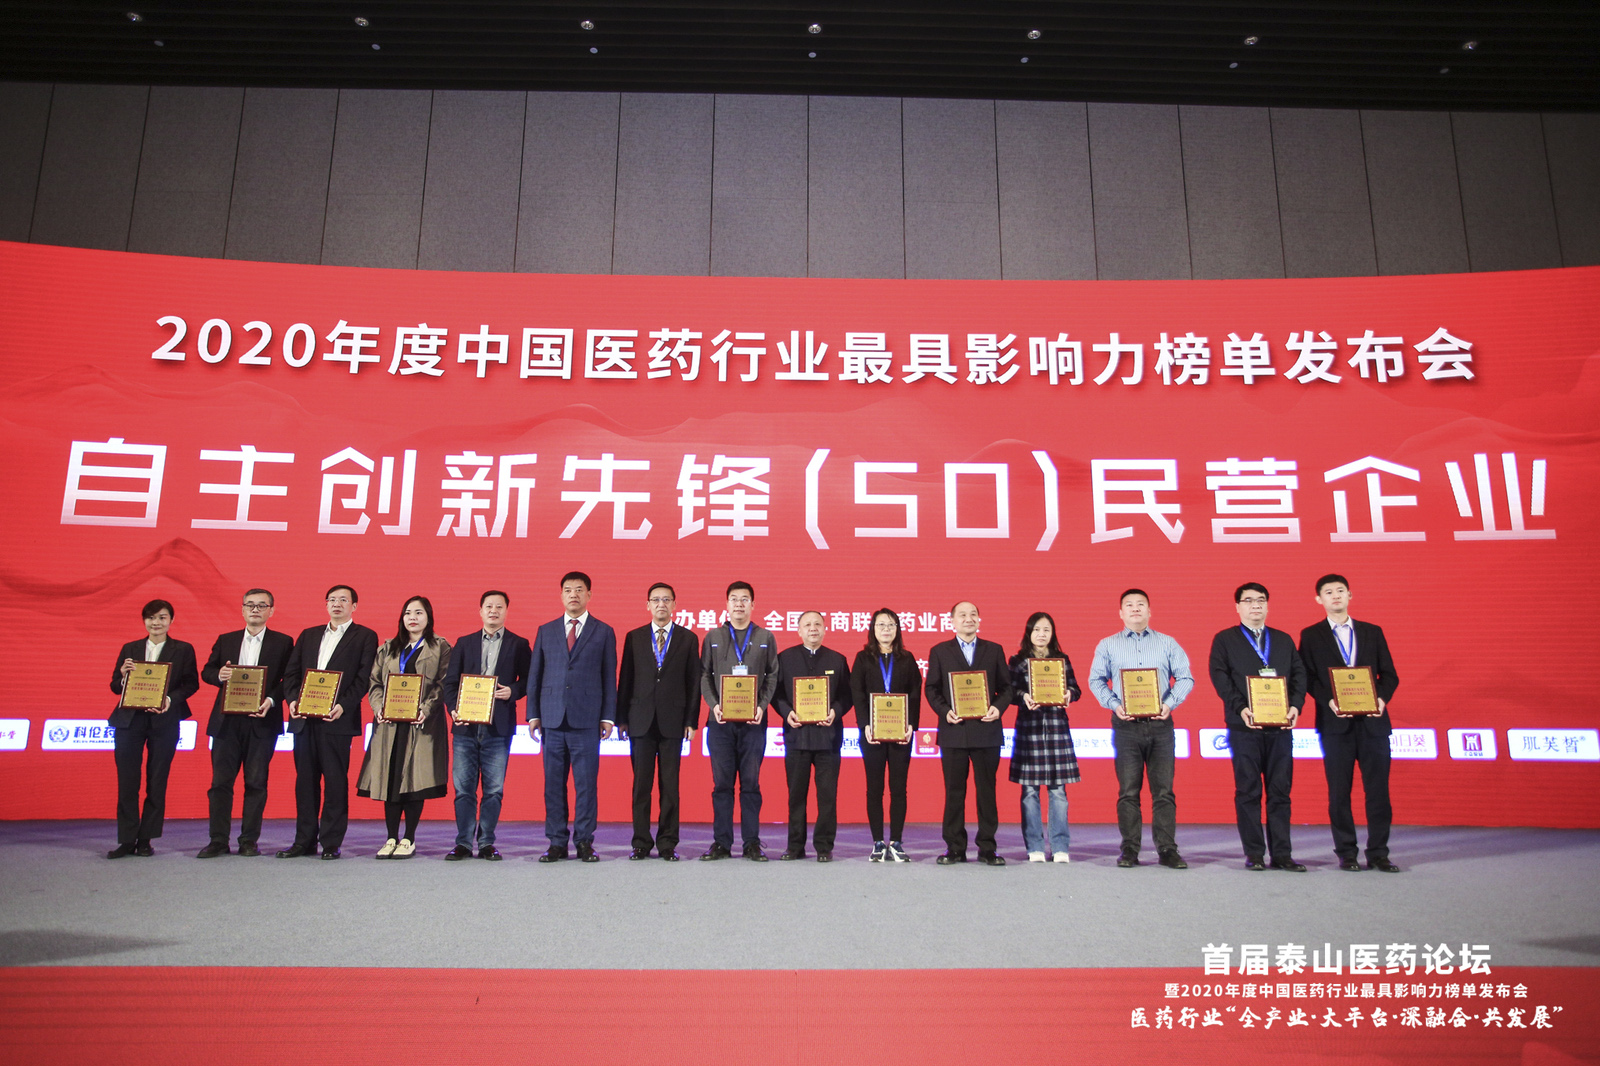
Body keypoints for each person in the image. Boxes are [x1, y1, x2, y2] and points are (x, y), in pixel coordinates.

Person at [1298, 574, 1402, 873]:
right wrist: (1328, 701)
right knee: (1339, 792)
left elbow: (1389, 675)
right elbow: (1307, 677)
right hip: (1335, 726)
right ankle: (1346, 853)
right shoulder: (1311, 635)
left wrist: (1380, 699)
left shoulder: (1372, 632)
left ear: (1350, 595)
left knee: (1378, 792)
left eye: (1340, 591)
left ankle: (1379, 853)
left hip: (1373, 724)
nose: (1335, 596)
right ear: (1319, 599)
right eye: (1328, 592)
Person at [1087, 589, 1194, 870]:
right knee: (1128, 791)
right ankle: (1130, 849)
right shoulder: (1107, 645)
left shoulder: (1168, 643)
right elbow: (1096, 680)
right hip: (1126, 726)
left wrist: (1169, 703)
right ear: (1121, 613)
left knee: (1164, 792)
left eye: (1140, 604)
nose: (1135, 609)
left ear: (1149, 610)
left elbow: (1185, 677)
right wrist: (1114, 705)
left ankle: (1167, 849)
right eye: (1129, 605)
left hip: (1160, 726)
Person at [1208, 582, 1309, 872]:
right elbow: (1220, 678)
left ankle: (1282, 855)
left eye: (1261, 600)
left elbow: (1299, 675)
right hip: (1244, 728)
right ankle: (1254, 854)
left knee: (1280, 792)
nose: (1255, 605)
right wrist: (1240, 707)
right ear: (1237, 606)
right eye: (1248, 600)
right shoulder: (1225, 639)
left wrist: (1295, 706)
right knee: (1248, 791)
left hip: (1280, 728)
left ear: (1267, 605)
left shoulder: (1283, 639)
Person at [279, 584, 379, 860]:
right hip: (304, 720)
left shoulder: (365, 636)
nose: (337, 604)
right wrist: (292, 701)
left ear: (354, 606)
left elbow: (363, 679)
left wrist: (342, 706)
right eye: (332, 599)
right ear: (325, 604)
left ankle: (331, 842)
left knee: (335, 783)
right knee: (305, 782)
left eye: (343, 600)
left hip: (337, 720)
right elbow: (291, 674)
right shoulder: (309, 635)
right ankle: (303, 841)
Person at [527, 571, 617, 863]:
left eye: (579, 589)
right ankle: (556, 842)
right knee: (553, 785)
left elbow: (609, 676)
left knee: (586, 786)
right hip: (552, 719)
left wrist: (608, 717)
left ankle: (584, 841)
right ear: (561, 595)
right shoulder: (546, 630)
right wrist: (533, 714)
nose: (573, 594)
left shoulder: (604, 631)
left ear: (589, 594)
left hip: (587, 720)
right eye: (568, 590)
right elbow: (535, 675)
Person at [197, 589, 293, 858]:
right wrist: (219, 674)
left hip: (261, 721)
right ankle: (218, 840)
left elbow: (289, 680)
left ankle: (249, 840)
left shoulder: (283, 642)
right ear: (242, 609)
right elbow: (207, 671)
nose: (255, 609)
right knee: (220, 784)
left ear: (271, 611)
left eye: (262, 605)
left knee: (256, 783)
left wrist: (271, 700)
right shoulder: (226, 639)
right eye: (250, 605)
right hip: (226, 723)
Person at [357, 596, 451, 859]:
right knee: (389, 779)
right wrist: (378, 707)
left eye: (419, 613)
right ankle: (390, 837)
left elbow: (443, 683)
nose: (413, 617)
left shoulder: (440, 647)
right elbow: (375, 683)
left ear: (428, 617)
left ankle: (409, 838)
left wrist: (426, 709)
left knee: (414, 780)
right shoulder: (388, 648)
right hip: (389, 725)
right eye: (408, 612)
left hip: (421, 724)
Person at [442, 590, 530, 861]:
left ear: (506, 611)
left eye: (499, 607)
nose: (493, 611)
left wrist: (513, 691)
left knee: (493, 790)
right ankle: (463, 843)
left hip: (498, 728)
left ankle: (487, 843)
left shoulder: (519, 644)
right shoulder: (464, 643)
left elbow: (530, 680)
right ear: (480, 611)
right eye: (489, 606)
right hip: (465, 727)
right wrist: (454, 710)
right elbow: (450, 683)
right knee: (463, 790)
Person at [107, 599, 199, 859]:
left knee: (157, 781)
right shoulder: (130, 647)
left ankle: (146, 839)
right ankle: (127, 840)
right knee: (127, 781)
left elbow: (191, 684)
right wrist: (123, 676)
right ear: (144, 620)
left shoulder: (183, 649)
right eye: (150, 618)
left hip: (164, 720)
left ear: (171, 620)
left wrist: (169, 699)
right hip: (129, 721)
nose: (156, 622)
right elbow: (115, 685)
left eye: (161, 617)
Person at [616, 582, 701, 861]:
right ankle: (641, 842)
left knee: (670, 786)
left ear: (675, 605)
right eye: (656, 600)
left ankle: (667, 843)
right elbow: (626, 678)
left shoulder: (688, 639)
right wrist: (621, 719)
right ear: (648, 605)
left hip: (673, 721)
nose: (661, 604)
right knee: (641, 786)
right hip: (639, 720)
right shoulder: (635, 637)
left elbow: (694, 683)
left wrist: (691, 721)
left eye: (666, 600)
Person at [924, 601, 1013, 866]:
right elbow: (931, 688)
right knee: (954, 792)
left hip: (986, 730)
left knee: (987, 792)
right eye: (962, 615)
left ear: (979, 619)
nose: (969, 619)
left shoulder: (993, 650)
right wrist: (945, 711)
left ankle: (987, 848)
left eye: (973, 614)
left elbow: (1007, 688)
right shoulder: (940, 651)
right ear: (952, 621)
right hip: (954, 730)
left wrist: (998, 708)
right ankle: (954, 848)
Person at [699, 580, 780, 861]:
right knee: (722, 784)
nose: (739, 604)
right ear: (727, 604)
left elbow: (772, 675)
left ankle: (751, 843)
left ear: (753, 605)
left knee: (750, 784)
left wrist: (762, 706)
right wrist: (714, 705)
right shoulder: (713, 637)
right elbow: (704, 675)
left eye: (745, 599)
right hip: (720, 722)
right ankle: (721, 843)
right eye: (734, 599)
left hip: (753, 723)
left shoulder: (765, 636)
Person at [772, 611, 852, 862]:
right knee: (796, 795)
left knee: (827, 796)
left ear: (825, 629)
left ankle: (824, 846)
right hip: (796, 737)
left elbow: (848, 695)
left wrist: (835, 711)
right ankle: (795, 846)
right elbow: (775, 694)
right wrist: (786, 712)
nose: (813, 628)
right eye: (807, 625)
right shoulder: (785, 658)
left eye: (817, 624)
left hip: (828, 738)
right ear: (799, 630)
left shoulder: (837, 659)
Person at [1009, 612, 1083, 863]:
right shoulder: (1018, 660)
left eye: (1046, 630)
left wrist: (1069, 694)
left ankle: (1060, 846)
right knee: (1029, 792)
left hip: (1056, 728)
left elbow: (1076, 688)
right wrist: (1023, 697)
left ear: (1052, 634)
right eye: (1037, 630)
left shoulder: (1061, 659)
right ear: (1029, 633)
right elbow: (1010, 691)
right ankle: (1034, 847)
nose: (1041, 634)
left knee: (1058, 791)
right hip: (1029, 730)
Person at [849, 609, 922, 863]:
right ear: (873, 629)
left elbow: (915, 692)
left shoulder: (907, 658)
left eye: (891, 625)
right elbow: (857, 692)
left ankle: (897, 841)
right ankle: (878, 842)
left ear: (897, 629)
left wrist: (911, 724)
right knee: (875, 788)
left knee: (899, 788)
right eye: (881, 625)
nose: (886, 629)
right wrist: (864, 725)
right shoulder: (863, 658)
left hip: (901, 733)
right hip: (872, 734)